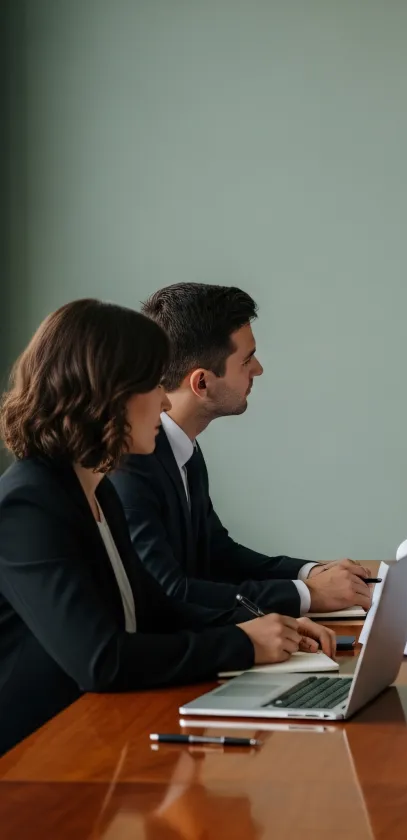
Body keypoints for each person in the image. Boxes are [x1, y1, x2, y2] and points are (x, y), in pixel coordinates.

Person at [0, 300, 334, 755]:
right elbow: (102, 659)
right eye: (153, 384)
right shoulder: (28, 505)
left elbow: (159, 611)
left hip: (97, 733)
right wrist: (240, 644)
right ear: (108, 393)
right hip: (38, 755)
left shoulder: (97, 491)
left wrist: (274, 626)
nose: (163, 400)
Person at [109, 283, 371, 617]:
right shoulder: (131, 465)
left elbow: (217, 554)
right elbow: (171, 590)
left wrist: (310, 573)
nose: (258, 369)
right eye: (246, 360)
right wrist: (307, 595)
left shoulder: (182, 448)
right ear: (201, 383)